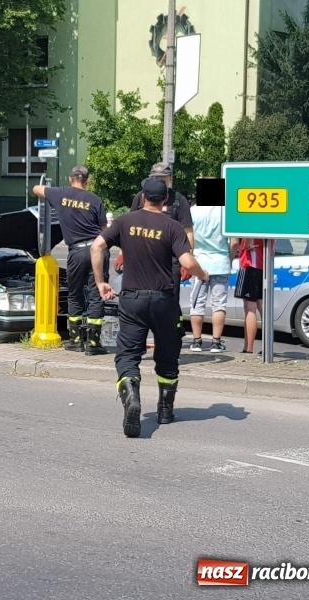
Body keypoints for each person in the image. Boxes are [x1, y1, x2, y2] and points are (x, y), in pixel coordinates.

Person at [90, 177, 209, 438]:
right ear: (166, 200)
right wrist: (202, 274)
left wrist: (101, 282)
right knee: (168, 354)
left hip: (132, 299)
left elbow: (97, 246)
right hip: (164, 300)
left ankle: (131, 393)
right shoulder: (173, 226)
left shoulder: (124, 221)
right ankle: (165, 410)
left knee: (128, 355)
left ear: (143, 197)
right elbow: (187, 261)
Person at [33, 165, 109, 355]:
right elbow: (104, 230)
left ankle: (75, 340)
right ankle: (93, 344)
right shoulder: (95, 200)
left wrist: (48, 190)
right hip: (96, 250)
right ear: (87, 180)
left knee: (75, 294)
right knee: (96, 293)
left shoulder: (60, 194)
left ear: (70, 179)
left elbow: (36, 189)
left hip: (75, 252)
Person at [115, 162, 194, 336]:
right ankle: (139, 339)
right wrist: (122, 253)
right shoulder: (140, 197)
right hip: (140, 260)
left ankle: (170, 338)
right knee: (138, 299)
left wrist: (187, 260)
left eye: (163, 179)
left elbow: (187, 232)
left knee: (169, 300)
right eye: (156, 178)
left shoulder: (179, 201)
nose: (159, 182)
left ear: (170, 179)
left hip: (169, 261)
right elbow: (129, 226)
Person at [188, 205, 238, 353]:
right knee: (219, 305)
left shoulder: (193, 211)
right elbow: (235, 242)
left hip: (199, 263)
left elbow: (188, 238)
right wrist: (228, 259)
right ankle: (216, 343)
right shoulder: (227, 211)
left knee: (196, 303)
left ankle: (197, 342)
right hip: (221, 262)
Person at [233, 238, 271, 354]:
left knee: (250, 308)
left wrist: (247, 243)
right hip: (265, 264)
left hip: (251, 263)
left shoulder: (253, 219)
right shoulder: (272, 220)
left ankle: (248, 348)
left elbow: (250, 228)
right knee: (262, 306)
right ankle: (267, 347)